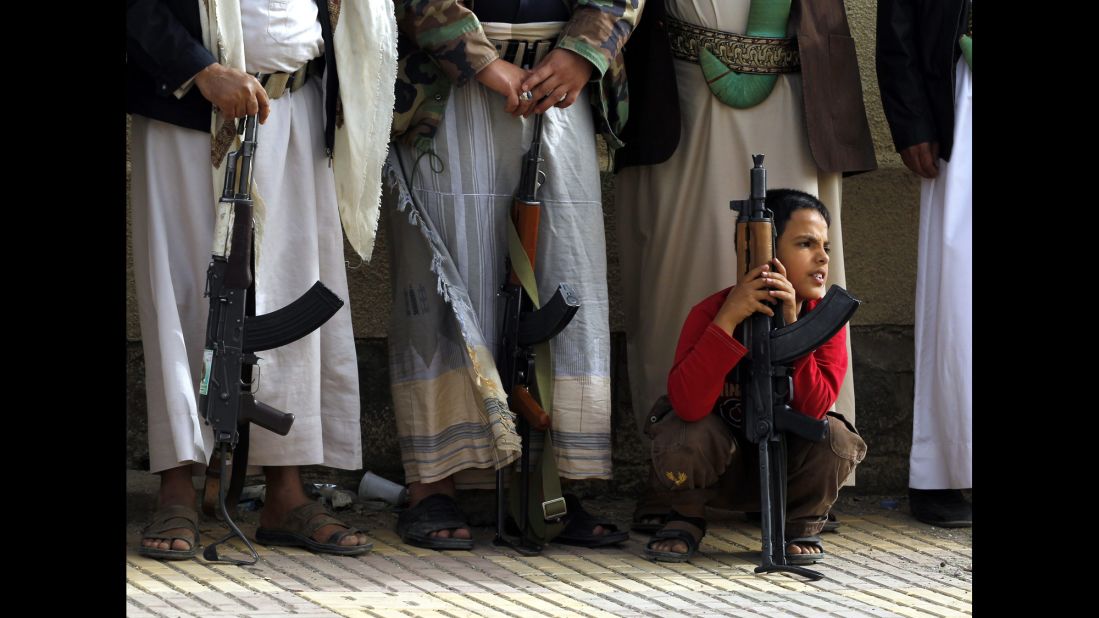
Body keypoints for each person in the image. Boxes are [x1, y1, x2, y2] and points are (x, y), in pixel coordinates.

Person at [127, 0, 396, 558]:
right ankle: (178, 483)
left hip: (296, 103)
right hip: (187, 106)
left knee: (296, 284)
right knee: (183, 289)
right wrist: (199, 69)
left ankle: (287, 494)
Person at [382, 0, 641, 549]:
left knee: (560, 279)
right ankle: (433, 485)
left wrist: (580, 54)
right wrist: (484, 63)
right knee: (443, 286)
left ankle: (547, 485)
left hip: (562, 87)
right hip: (446, 93)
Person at [611, 0, 877, 533]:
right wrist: (729, 318)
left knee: (802, 245)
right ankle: (677, 483)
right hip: (683, 93)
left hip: (792, 85)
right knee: (678, 273)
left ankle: (802, 492)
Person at [643, 189, 867, 563]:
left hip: (788, 473)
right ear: (765, 253)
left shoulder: (824, 318)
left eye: (825, 245)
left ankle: (802, 524)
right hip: (721, 475)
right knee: (683, 430)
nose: (823, 257)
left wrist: (794, 325)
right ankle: (686, 517)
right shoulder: (712, 312)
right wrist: (728, 321)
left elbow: (813, 408)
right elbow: (687, 403)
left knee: (835, 438)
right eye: (805, 243)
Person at [876, 0, 972, 527]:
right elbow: (898, 23)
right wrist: (912, 118)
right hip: (958, 101)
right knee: (957, 293)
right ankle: (941, 471)